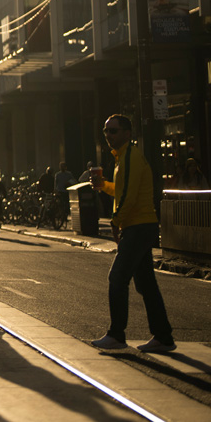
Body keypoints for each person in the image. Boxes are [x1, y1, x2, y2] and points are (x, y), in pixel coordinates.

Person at [90, 114, 176, 353]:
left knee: (117, 278)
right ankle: (163, 336)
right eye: (106, 131)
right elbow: (121, 190)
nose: (108, 135)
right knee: (146, 283)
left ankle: (117, 334)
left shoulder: (130, 156)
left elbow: (128, 195)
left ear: (127, 133)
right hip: (140, 225)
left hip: (137, 226)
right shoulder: (123, 158)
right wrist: (103, 186)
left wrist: (115, 222)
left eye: (114, 131)